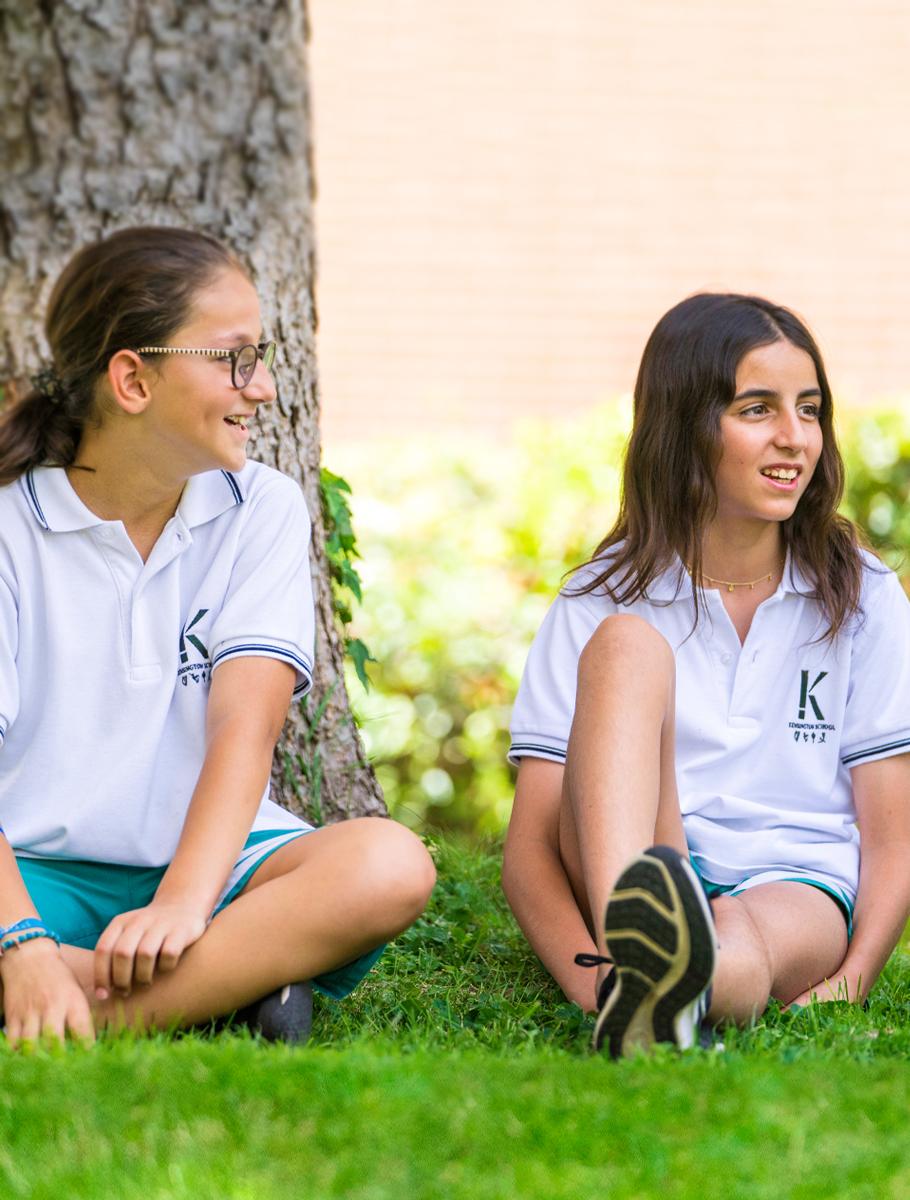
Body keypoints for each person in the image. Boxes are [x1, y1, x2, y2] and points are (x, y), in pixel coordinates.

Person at [0, 226, 435, 1047]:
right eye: (234, 358)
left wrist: (183, 904)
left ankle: (76, 1004)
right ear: (132, 378)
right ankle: (224, 985)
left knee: (388, 864)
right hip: (27, 874)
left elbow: (248, 725)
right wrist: (19, 943)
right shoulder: (9, 529)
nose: (264, 387)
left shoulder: (259, 508)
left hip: (209, 863)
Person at [503, 293, 910, 1057]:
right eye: (757, 410)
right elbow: (530, 848)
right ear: (686, 425)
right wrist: (589, 983)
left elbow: (893, 836)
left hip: (791, 880)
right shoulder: (597, 599)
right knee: (628, 644)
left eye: (810, 410)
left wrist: (851, 980)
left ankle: (673, 985)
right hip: (637, 857)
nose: (795, 439)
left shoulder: (865, 597)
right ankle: (644, 954)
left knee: (742, 940)